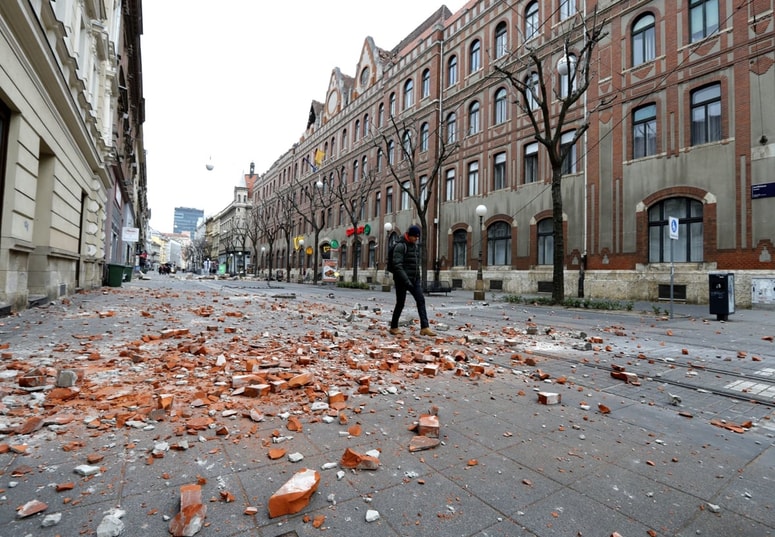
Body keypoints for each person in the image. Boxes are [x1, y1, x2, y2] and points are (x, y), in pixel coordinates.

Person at [389, 225, 436, 337]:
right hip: (401, 280)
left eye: (417, 237)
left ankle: (425, 327)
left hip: (414, 280)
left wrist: (417, 278)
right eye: (415, 237)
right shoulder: (401, 246)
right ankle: (394, 327)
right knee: (400, 303)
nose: (416, 239)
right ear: (408, 235)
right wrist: (405, 280)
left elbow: (414, 264)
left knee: (421, 300)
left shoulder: (414, 246)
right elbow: (397, 265)